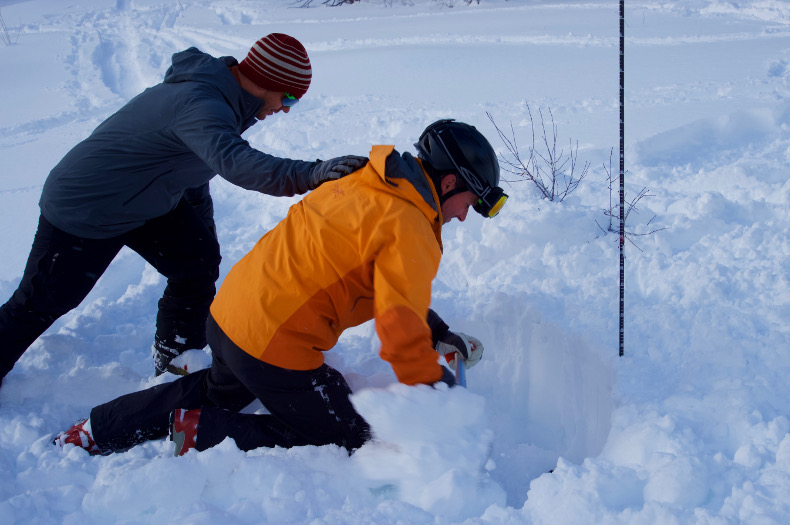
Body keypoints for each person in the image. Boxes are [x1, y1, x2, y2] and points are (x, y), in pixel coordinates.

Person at [54, 119, 507, 456]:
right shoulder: (411, 226)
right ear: (449, 182)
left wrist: (437, 329)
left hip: (230, 317)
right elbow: (397, 327)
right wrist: (439, 389)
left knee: (220, 386)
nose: (465, 215)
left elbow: (389, 284)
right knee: (349, 436)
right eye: (470, 202)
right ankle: (203, 431)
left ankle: (99, 428)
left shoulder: (368, 182)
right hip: (272, 347)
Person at [0, 33, 368, 383]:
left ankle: (178, 361)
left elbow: (194, 166)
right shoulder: (201, 103)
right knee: (40, 303)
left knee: (197, 263)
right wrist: (313, 173)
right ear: (265, 80)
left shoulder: (226, 100)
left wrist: (202, 226)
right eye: (288, 99)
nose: (285, 110)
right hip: (87, 204)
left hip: (147, 196)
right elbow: (235, 161)